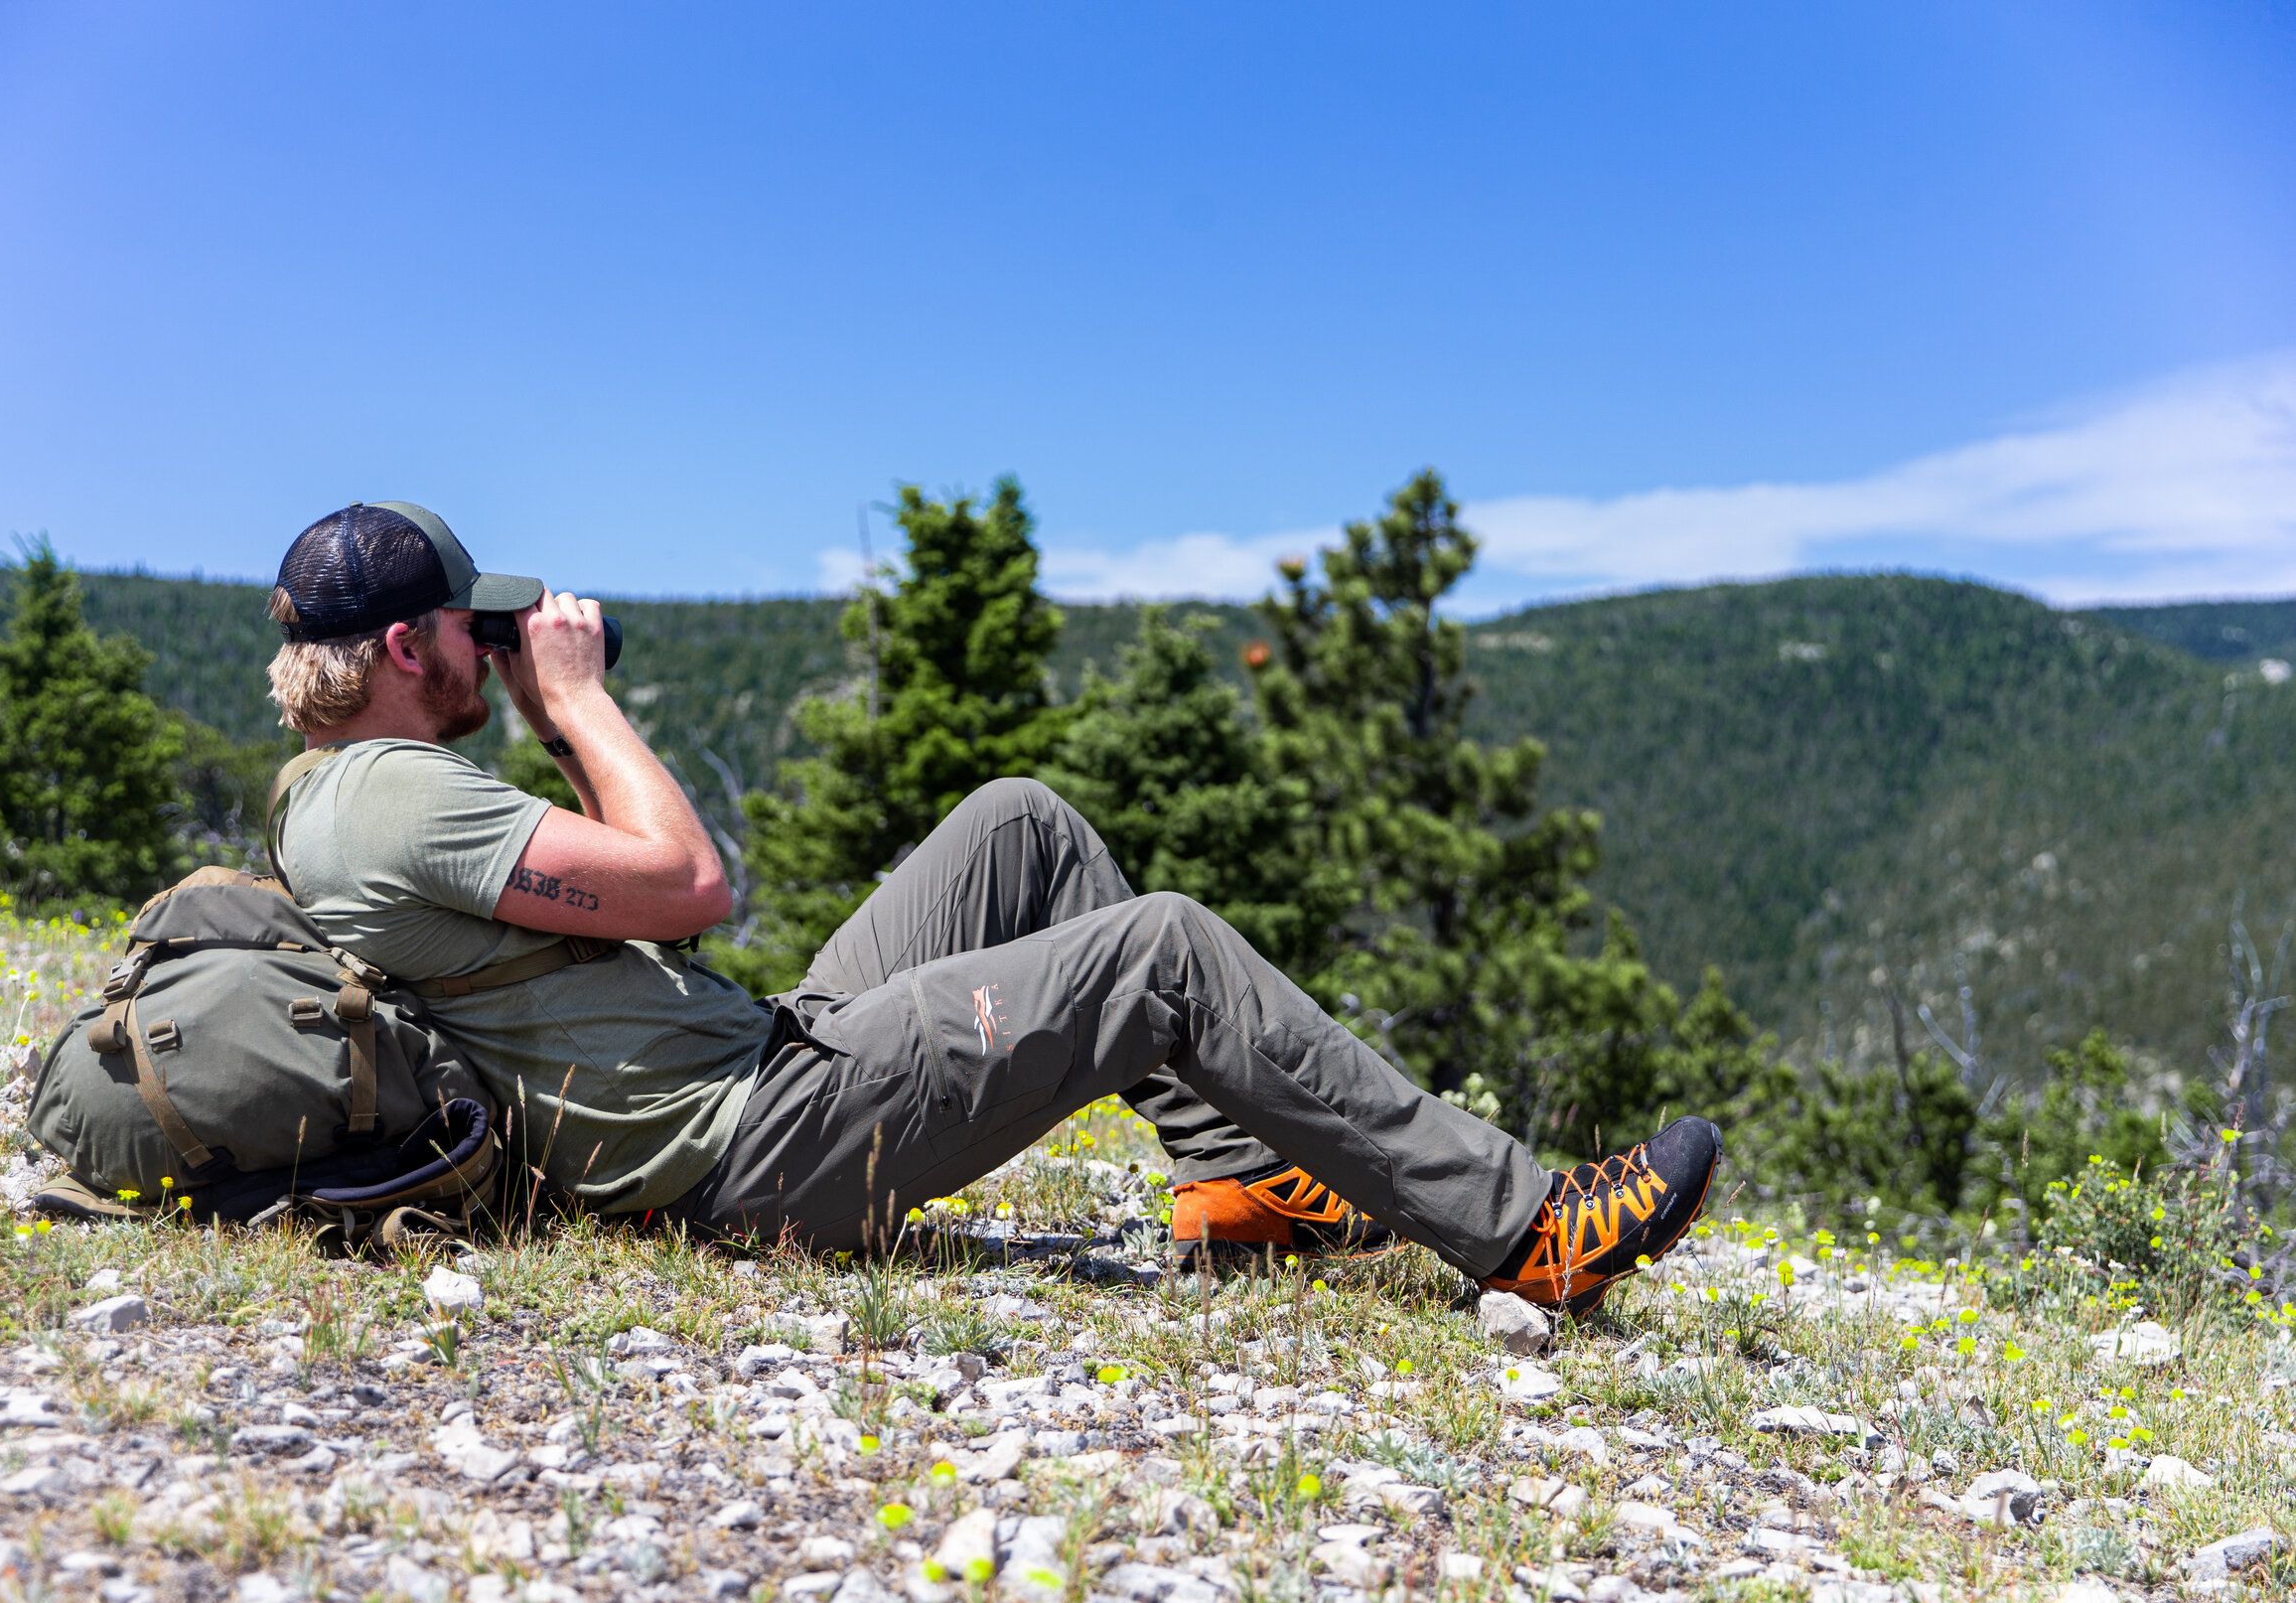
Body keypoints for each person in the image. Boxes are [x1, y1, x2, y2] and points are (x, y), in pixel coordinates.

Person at [264, 502, 1722, 1312]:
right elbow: (694, 884)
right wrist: (578, 702)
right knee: (1163, 949)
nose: (498, 642)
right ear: (405, 644)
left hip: (737, 1074)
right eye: (474, 627)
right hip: (739, 1154)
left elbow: (635, 931)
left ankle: (1246, 1185)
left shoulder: (359, 793)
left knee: (1020, 821)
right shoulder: (397, 795)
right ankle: (1526, 1228)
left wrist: (548, 720)